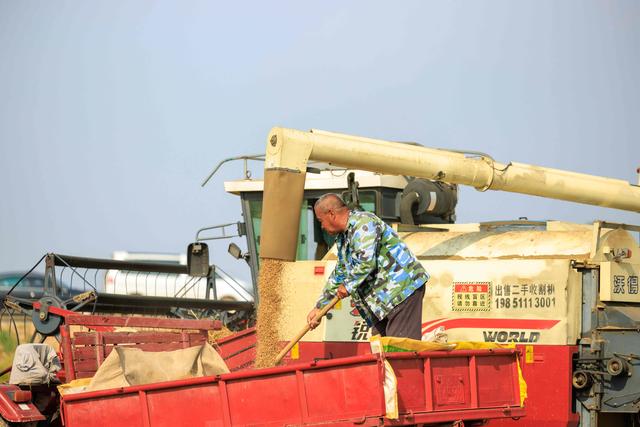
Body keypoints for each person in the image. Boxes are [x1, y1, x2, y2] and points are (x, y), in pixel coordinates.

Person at [306, 193, 429, 340]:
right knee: (379, 350)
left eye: (321, 221)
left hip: (401, 292)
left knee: (399, 350)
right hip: (380, 302)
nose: (322, 226)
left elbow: (366, 262)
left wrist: (348, 285)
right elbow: (340, 273)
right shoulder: (343, 238)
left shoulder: (363, 223)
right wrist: (320, 307)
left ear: (331, 214)